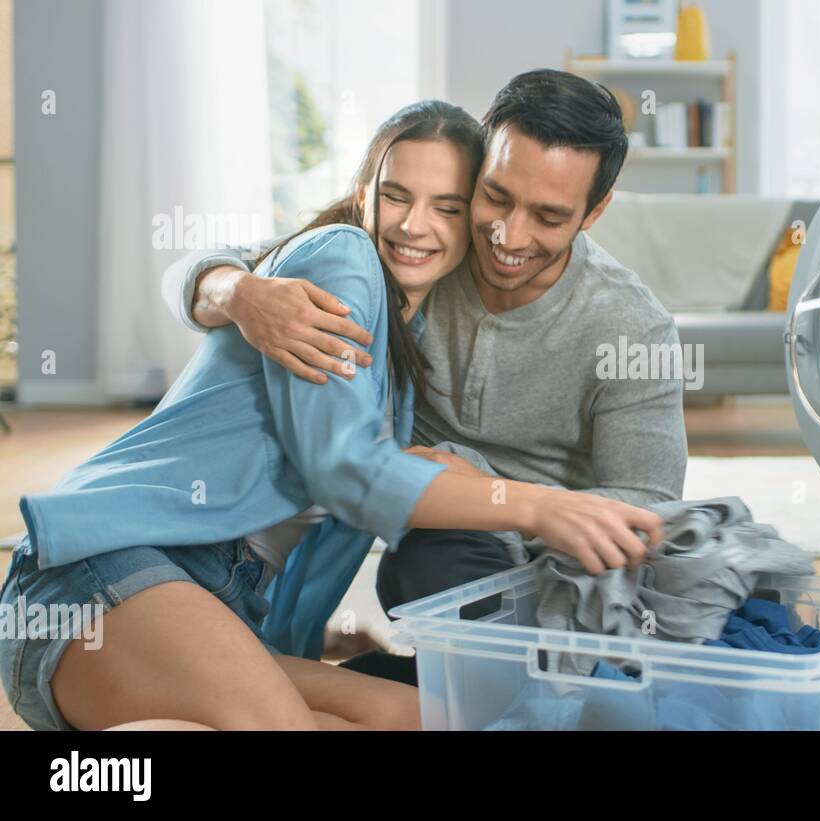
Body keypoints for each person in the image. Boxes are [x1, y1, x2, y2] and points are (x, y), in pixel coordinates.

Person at [0, 100, 662, 732]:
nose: (413, 224)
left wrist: (308, 634)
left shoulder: (409, 334)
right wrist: (539, 505)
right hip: (104, 570)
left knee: (416, 718)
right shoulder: (344, 257)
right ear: (362, 188)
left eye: (447, 206)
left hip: (210, 602)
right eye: (396, 195)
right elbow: (348, 470)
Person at [162, 70, 690, 684]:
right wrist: (238, 291)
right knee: (431, 570)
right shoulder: (421, 252)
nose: (507, 236)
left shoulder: (632, 326)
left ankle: (405, 683)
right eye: (495, 197)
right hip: (443, 547)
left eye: (548, 216)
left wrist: (496, 490)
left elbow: (651, 507)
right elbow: (197, 270)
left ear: (594, 211)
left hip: (554, 561)